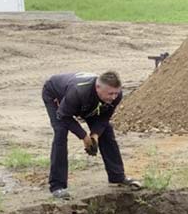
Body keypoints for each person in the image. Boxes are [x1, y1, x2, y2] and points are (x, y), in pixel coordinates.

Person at [42, 71, 140, 200]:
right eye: (110, 93)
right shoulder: (78, 92)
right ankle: (57, 186)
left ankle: (117, 176)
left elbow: (104, 118)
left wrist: (95, 135)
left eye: (116, 93)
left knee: (107, 132)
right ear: (98, 87)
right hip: (55, 95)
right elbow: (63, 116)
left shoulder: (115, 95)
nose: (114, 97)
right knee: (60, 132)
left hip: (85, 102)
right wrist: (84, 136)